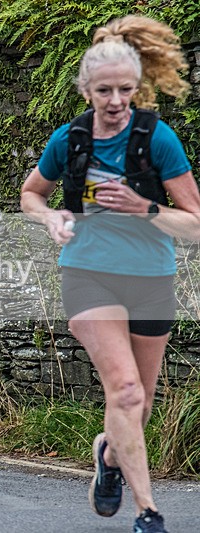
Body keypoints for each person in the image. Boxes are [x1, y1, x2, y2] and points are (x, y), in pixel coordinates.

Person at [20, 15, 200, 533]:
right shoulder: (70, 139)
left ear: (136, 87)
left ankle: (109, 454)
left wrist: (143, 209)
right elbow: (31, 193)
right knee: (123, 391)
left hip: (150, 278)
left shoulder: (157, 139)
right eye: (105, 91)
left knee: (137, 405)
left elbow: (194, 224)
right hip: (87, 273)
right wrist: (50, 215)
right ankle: (149, 512)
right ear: (86, 90)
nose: (116, 100)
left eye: (125, 89)